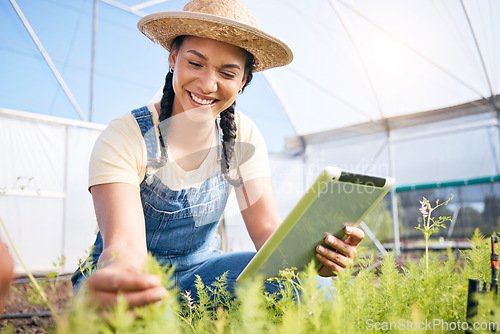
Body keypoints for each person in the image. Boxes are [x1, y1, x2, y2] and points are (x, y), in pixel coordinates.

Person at [71, 0, 364, 308]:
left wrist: (312, 258)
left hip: (202, 277)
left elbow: (266, 230)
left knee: (312, 287)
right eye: (195, 64)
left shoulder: (242, 136)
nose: (207, 84)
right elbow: (124, 248)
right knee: (134, 313)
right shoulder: (127, 135)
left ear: (243, 82)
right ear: (173, 58)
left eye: (227, 73)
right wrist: (132, 290)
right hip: (126, 277)